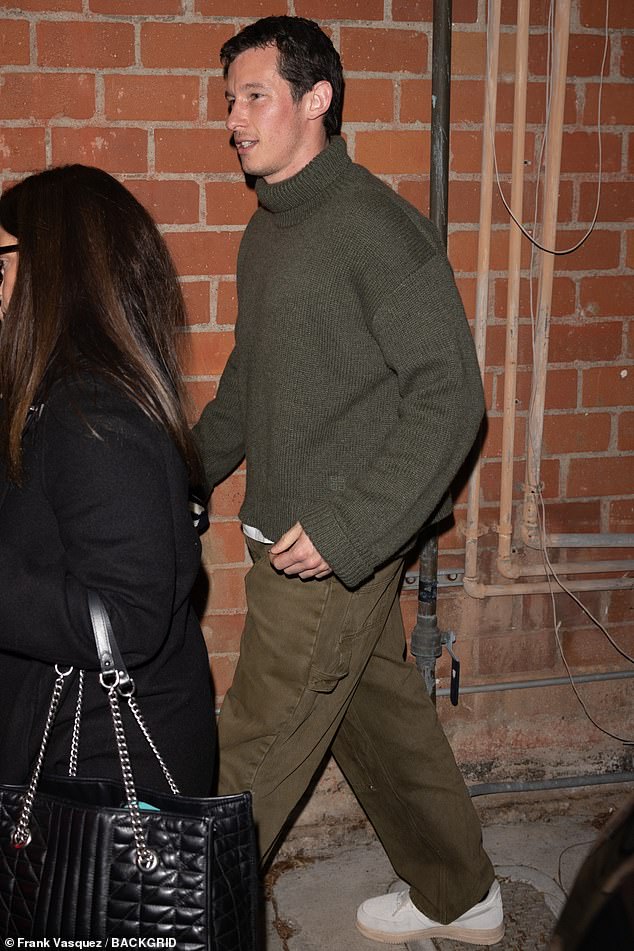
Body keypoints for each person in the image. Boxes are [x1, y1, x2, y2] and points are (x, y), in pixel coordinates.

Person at [194, 15, 504, 946]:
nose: (235, 120)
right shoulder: (270, 232)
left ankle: (175, 917)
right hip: (303, 538)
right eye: (230, 102)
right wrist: (180, 474)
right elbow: (252, 379)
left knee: (253, 742)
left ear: (315, 97)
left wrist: (348, 526)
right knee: (381, 722)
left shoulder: (375, 228)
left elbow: (452, 399)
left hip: (328, 551)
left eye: (255, 96)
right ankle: (463, 895)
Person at [0, 165, 215, 796]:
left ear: (56, 270)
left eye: (1, 263)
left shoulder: (96, 419)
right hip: (58, 741)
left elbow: (126, 620)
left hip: (103, 784)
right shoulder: (51, 400)